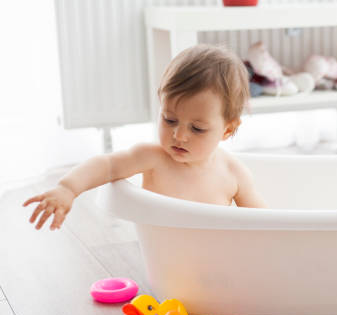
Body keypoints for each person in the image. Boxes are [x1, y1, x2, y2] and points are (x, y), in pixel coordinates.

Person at [23, 44, 266, 230]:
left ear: (226, 130)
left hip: (215, 258)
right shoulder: (153, 158)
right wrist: (68, 188)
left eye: (197, 129)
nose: (179, 135)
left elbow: (266, 223)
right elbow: (107, 165)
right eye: (169, 120)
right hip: (164, 255)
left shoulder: (234, 173)